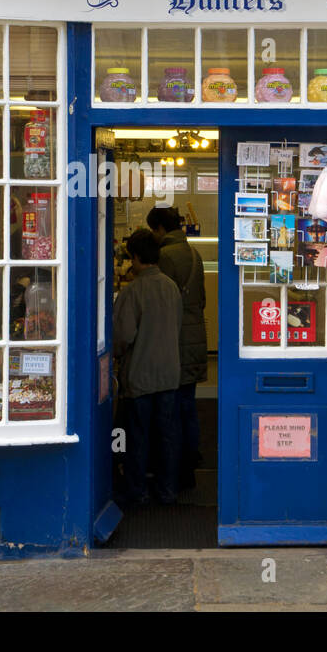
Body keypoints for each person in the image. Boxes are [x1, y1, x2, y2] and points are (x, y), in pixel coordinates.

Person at [113, 228, 183, 506]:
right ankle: (168, 489)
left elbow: (123, 336)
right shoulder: (171, 287)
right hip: (169, 373)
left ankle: (137, 490)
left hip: (140, 375)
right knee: (167, 435)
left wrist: (115, 357)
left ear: (137, 256)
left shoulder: (133, 291)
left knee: (138, 437)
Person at [147, 205, 207, 489]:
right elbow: (202, 300)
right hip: (195, 339)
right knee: (188, 406)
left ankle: (171, 473)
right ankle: (190, 463)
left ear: (159, 229)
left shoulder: (163, 257)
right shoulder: (194, 255)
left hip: (173, 340)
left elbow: (158, 304)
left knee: (169, 411)